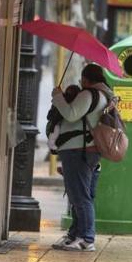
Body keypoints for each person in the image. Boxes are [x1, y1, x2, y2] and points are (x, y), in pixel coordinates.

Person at [49, 64, 114, 252]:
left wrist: (57, 96)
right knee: (80, 195)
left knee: (80, 196)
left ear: (86, 80)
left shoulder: (89, 94)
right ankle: (75, 235)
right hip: (85, 150)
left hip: (79, 150)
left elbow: (71, 114)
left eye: (82, 81)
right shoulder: (103, 95)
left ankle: (86, 238)